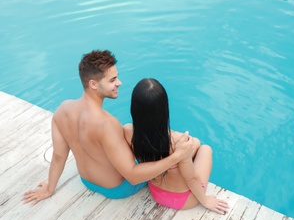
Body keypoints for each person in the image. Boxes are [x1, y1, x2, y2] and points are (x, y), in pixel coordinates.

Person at [23, 50, 193, 205]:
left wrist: (49, 189)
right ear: (93, 84)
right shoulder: (108, 124)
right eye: (112, 80)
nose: (119, 83)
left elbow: (59, 156)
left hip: (87, 181)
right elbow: (133, 176)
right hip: (118, 189)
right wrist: (176, 156)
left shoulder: (63, 109)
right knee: (160, 143)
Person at [124, 78, 230, 215]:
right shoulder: (176, 140)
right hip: (185, 201)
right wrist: (205, 200)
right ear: (164, 109)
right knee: (205, 149)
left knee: (189, 151)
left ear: (134, 108)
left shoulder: (128, 132)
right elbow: (192, 179)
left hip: (156, 193)